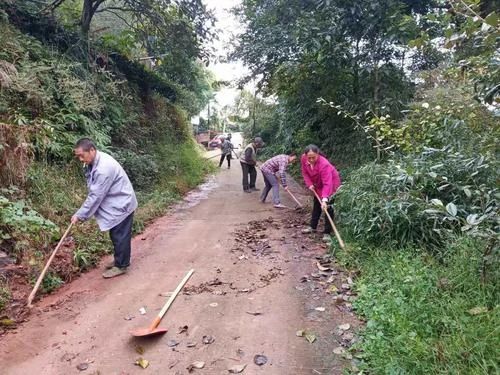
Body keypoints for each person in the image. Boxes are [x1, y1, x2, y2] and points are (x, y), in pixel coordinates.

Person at [71, 138, 138, 278]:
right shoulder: (94, 161)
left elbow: (95, 196)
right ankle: (119, 259)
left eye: (81, 155)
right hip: (115, 202)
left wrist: (80, 215)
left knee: (120, 235)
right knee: (115, 234)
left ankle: (121, 265)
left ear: (92, 150)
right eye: (78, 156)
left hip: (121, 204)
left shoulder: (103, 168)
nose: (80, 159)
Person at [300, 144, 341, 243]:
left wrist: (325, 199)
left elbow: (328, 183)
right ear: (305, 156)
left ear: (318, 154)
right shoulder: (303, 158)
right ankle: (312, 227)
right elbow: (304, 172)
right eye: (309, 157)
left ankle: (327, 232)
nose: (311, 160)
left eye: (313, 157)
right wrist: (309, 184)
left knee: (328, 207)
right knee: (317, 205)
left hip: (331, 183)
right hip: (318, 184)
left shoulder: (324, 164)